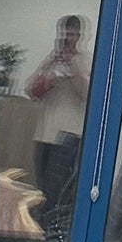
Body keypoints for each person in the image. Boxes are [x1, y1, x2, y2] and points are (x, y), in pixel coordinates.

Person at [27, 13, 90, 144]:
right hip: (45, 132)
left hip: (71, 131)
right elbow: (31, 92)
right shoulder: (52, 58)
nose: (68, 39)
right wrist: (48, 68)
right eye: (65, 34)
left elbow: (85, 95)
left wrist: (72, 67)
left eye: (72, 34)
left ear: (79, 36)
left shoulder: (84, 60)